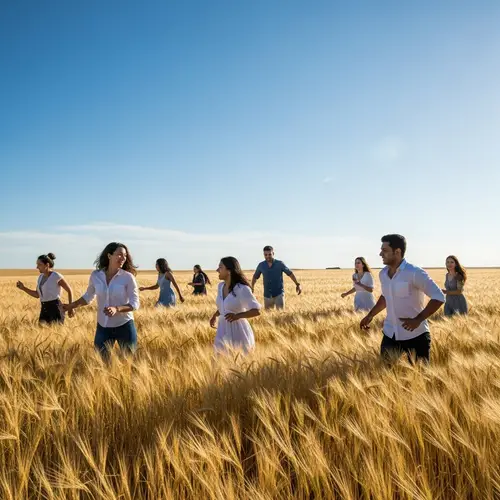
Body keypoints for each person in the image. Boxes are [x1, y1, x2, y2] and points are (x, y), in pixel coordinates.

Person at [360, 234, 445, 364]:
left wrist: (418, 319)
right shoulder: (383, 274)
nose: (380, 254)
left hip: (415, 335)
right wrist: (371, 315)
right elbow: (386, 296)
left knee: (420, 379)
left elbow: (438, 296)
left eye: (385, 250)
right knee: (385, 376)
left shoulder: (415, 272)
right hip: (390, 334)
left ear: (397, 251)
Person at [63, 242, 139, 360]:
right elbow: (88, 297)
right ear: (109, 256)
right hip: (103, 327)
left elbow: (135, 304)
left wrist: (117, 309)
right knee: (101, 362)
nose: (123, 258)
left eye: (125, 256)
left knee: (129, 362)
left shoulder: (128, 277)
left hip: (124, 326)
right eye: (119, 254)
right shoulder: (96, 275)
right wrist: (70, 306)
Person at [210, 257, 261, 353]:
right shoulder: (220, 287)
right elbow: (224, 306)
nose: (217, 270)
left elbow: (256, 311)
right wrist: (215, 315)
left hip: (238, 332)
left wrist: (237, 316)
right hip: (222, 330)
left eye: (220, 267)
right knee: (219, 361)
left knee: (240, 362)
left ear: (229, 271)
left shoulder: (242, 289)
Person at [16, 253, 73, 324]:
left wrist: (71, 307)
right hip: (44, 309)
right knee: (41, 331)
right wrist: (23, 288)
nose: (37, 267)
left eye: (39, 264)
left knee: (55, 332)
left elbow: (69, 290)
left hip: (55, 309)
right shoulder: (40, 277)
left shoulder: (56, 276)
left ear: (47, 265)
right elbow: (37, 295)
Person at [251, 246, 302, 310]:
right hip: (267, 295)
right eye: (265, 255)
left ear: (273, 253)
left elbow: (290, 273)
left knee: (281, 315)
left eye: (269, 254)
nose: (267, 256)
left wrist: (297, 284)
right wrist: (252, 287)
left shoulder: (280, 264)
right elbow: (255, 277)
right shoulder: (261, 265)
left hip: (279, 294)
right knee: (268, 317)